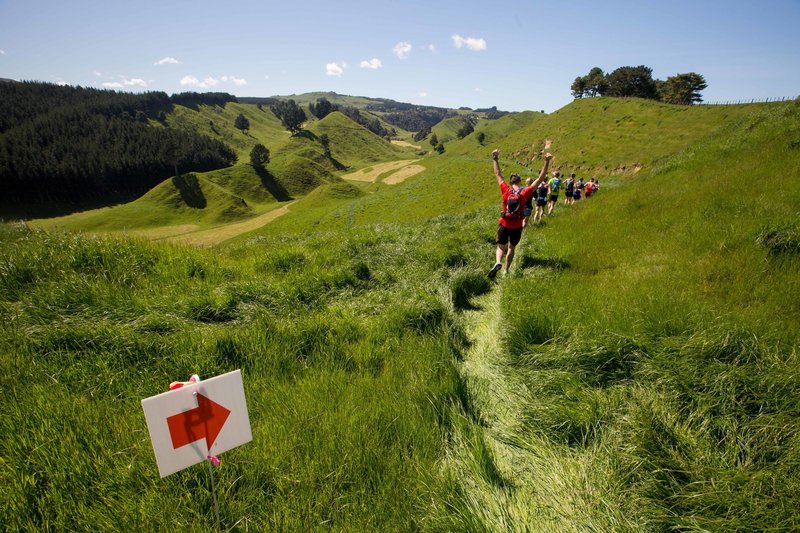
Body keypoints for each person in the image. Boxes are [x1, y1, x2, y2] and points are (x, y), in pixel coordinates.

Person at [488, 148, 553, 278]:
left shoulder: (506, 190)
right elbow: (541, 178)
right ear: (520, 182)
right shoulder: (524, 193)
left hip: (504, 223)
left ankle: (497, 261)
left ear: (511, 182)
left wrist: (495, 158)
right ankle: (506, 270)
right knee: (511, 248)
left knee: (501, 247)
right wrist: (546, 161)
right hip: (517, 226)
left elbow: (497, 173)